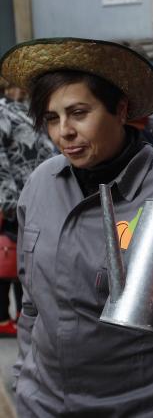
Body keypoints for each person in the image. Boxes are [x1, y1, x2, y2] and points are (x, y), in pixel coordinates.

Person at [0, 37, 153, 417]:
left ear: (120, 109)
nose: (64, 132)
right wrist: (26, 378)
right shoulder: (41, 183)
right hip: (44, 403)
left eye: (78, 113)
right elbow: (31, 305)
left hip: (146, 406)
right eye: (53, 118)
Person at [0, 78, 57, 337]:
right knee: (19, 256)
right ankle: (19, 317)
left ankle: (28, 314)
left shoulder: (28, 108)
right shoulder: (3, 110)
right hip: (20, 197)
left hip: (41, 190)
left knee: (31, 257)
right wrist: (9, 201)